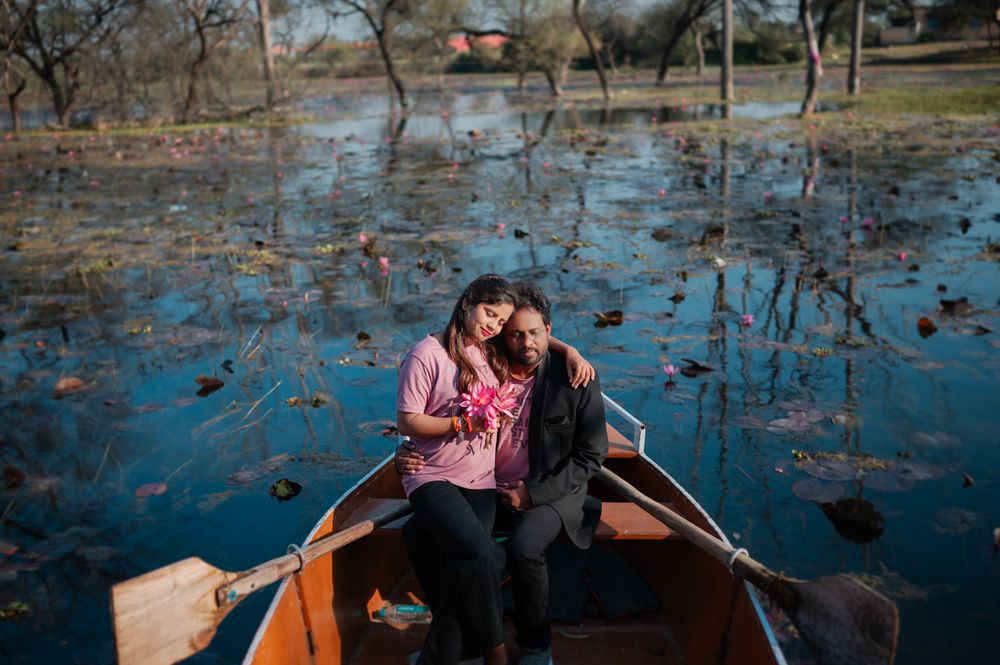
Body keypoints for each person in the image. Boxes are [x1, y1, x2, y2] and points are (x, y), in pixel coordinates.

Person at [397, 281, 609, 665]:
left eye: (534, 332)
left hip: (549, 491)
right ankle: (459, 647)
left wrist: (532, 494)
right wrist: (405, 450)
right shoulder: (489, 358)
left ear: (549, 329)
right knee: (420, 534)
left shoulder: (574, 378)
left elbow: (593, 453)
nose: (524, 342)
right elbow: (424, 413)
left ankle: (535, 645)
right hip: (482, 483)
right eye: (514, 333)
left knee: (524, 546)